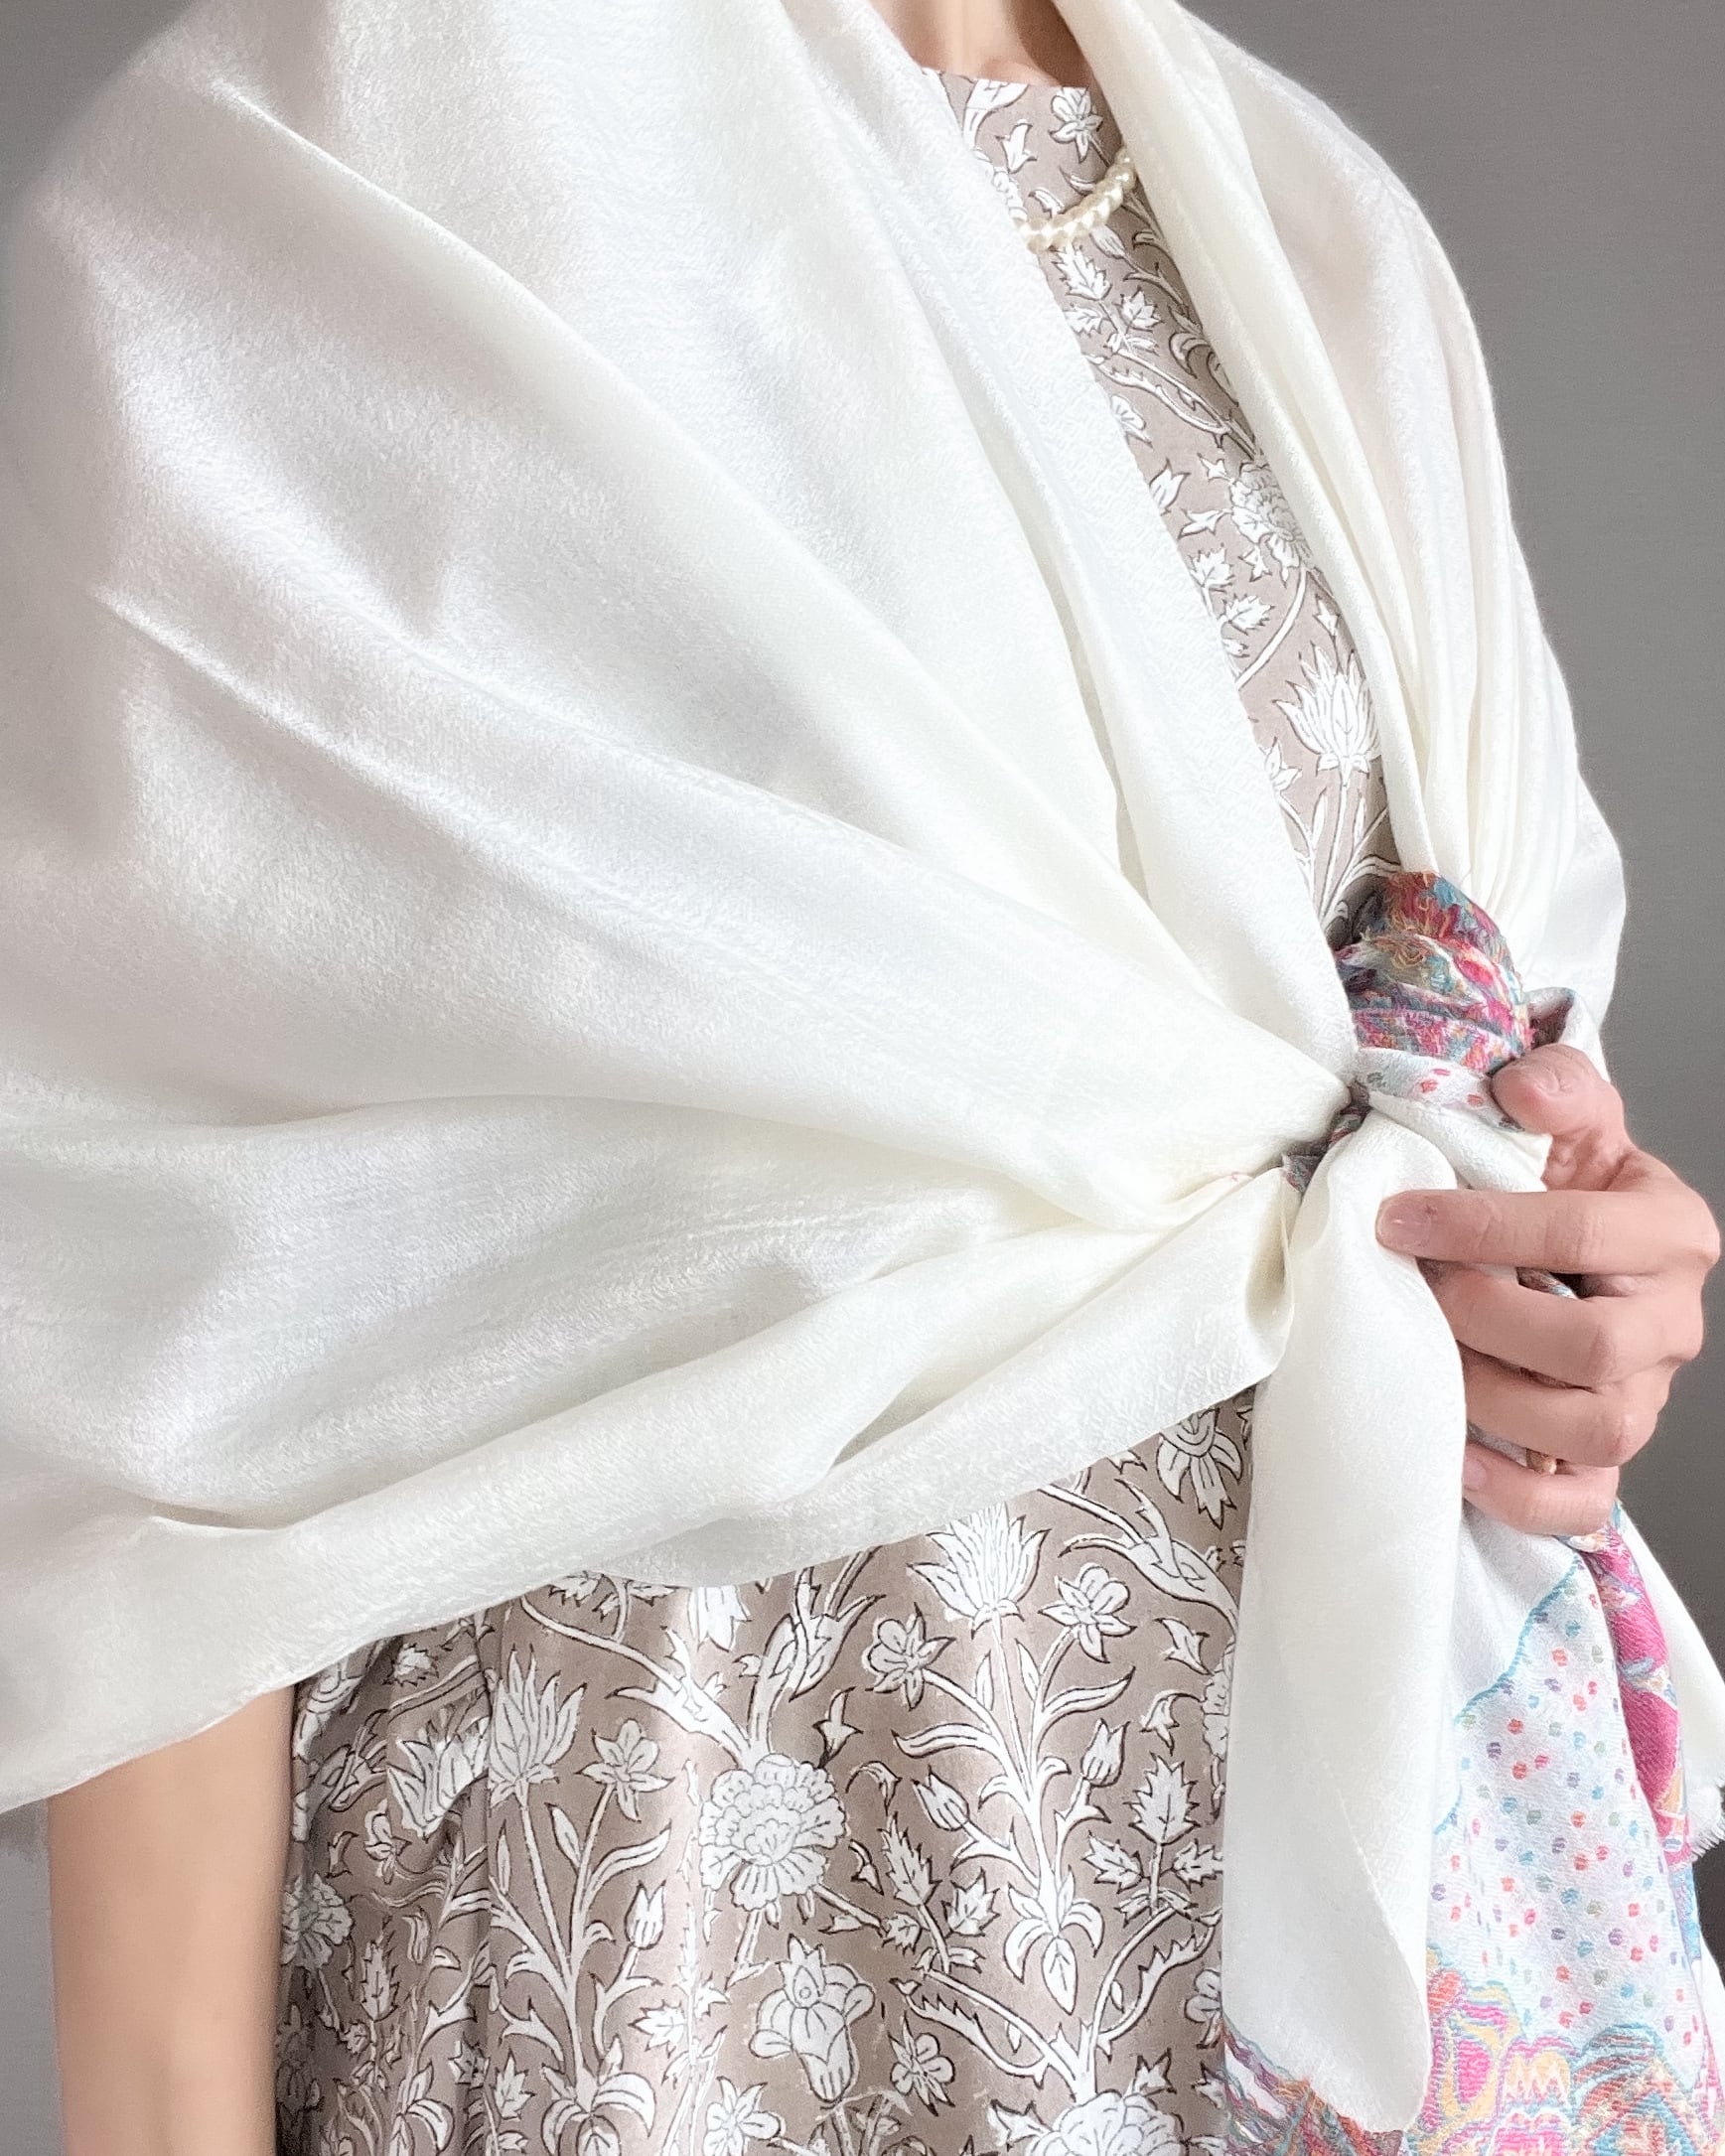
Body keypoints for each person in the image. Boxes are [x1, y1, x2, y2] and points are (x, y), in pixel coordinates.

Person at [18, 0, 1723, 2150]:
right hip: (693, 1929)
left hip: (1344, 1900)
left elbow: (1405, 1055)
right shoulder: (357, 149)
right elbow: (158, 1302)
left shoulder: (1305, 228)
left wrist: (1563, 1280)